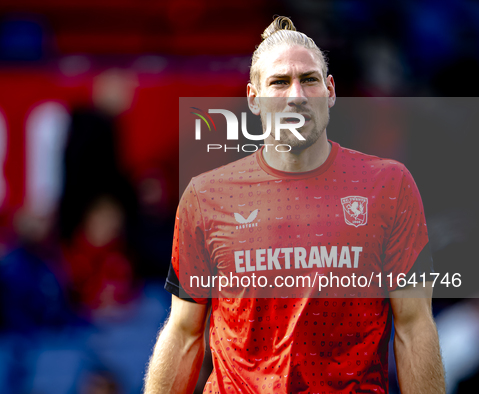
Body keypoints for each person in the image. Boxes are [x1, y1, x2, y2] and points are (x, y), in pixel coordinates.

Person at [144, 16, 445, 394]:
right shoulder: (205, 197)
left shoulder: (390, 185)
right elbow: (184, 332)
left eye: (309, 79)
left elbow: (414, 327)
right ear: (254, 98)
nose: (296, 94)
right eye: (279, 82)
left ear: (330, 91)